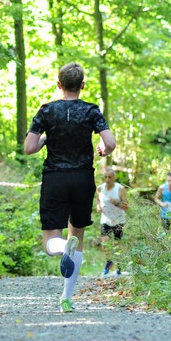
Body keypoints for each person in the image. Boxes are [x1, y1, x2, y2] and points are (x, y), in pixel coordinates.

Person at [24, 62, 115, 313]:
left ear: (59, 84)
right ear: (82, 85)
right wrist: (103, 149)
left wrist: (44, 139)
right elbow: (110, 142)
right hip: (83, 178)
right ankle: (67, 297)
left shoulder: (46, 111)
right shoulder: (91, 111)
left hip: (55, 178)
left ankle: (62, 246)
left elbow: (29, 148)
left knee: (50, 242)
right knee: (78, 236)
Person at [96, 167, 128, 276]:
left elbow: (126, 206)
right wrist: (98, 207)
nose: (107, 179)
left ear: (114, 177)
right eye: (105, 177)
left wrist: (116, 203)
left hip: (119, 220)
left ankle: (119, 266)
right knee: (104, 244)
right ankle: (108, 264)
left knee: (117, 244)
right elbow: (98, 200)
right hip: (105, 219)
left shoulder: (120, 189)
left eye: (110, 177)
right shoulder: (100, 188)